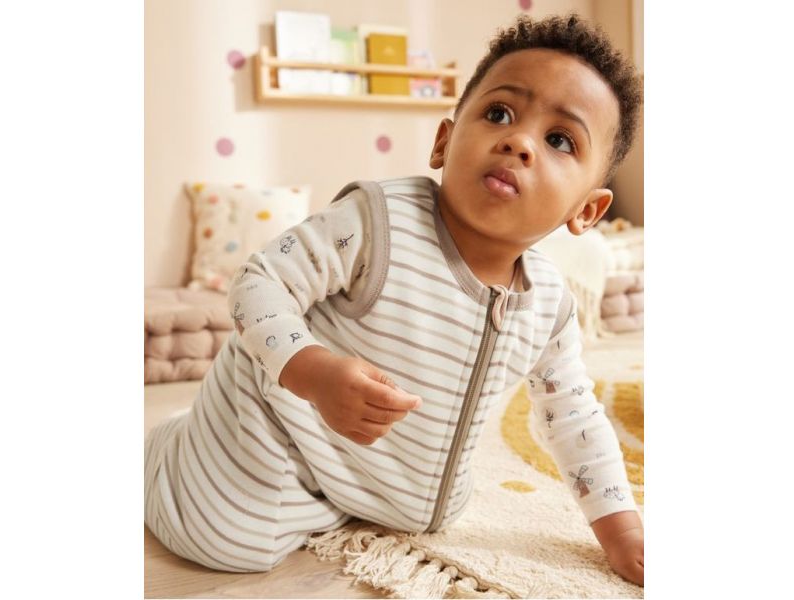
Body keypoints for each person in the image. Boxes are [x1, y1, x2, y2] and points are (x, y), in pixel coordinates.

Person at [144, 13, 644, 587]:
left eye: (559, 140)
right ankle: (164, 454)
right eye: (499, 113)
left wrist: (621, 529)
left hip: (375, 478)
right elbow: (257, 283)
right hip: (282, 426)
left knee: (440, 507)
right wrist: (313, 372)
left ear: (586, 210)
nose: (519, 141)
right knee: (224, 539)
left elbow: (573, 417)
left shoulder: (549, 304)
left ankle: (330, 493)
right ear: (444, 141)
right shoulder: (377, 224)